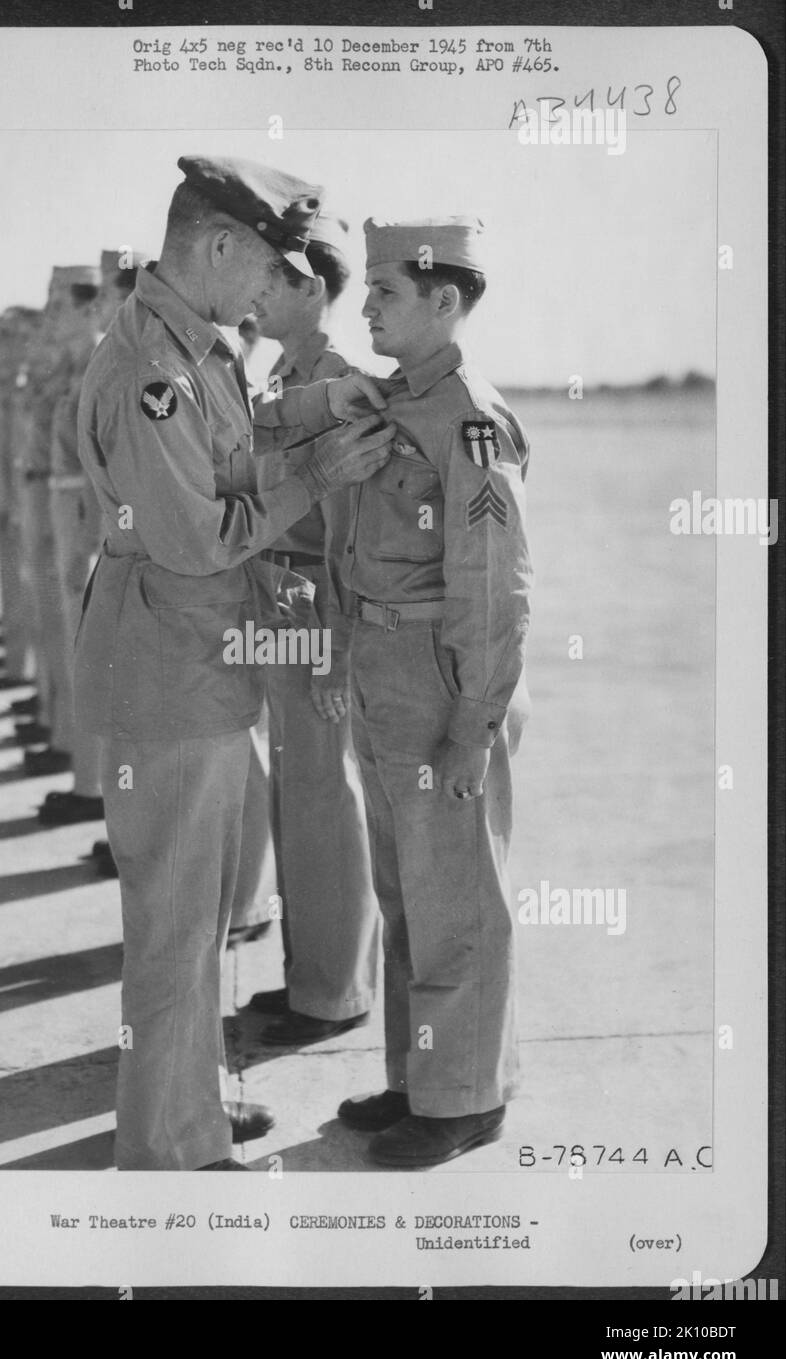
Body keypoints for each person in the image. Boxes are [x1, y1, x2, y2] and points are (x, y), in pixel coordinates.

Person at [73, 154, 396, 1170]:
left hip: (197, 662)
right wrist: (313, 475)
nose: (269, 290)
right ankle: (168, 1146)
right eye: (262, 267)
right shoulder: (153, 374)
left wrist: (311, 443)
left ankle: (195, 1102)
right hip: (168, 669)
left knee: (204, 913)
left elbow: (229, 468)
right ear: (216, 247)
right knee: (174, 924)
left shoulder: (194, 350)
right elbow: (197, 535)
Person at [327, 217, 533, 1167]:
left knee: (457, 897)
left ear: (444, 301)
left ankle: (466, 1100)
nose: (364, 305)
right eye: (366, 289)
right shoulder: (392, 403)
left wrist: (472, 728)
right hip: (384, 672)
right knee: (407, 892)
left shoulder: (470, 421)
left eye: (384, 293)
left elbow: (496, 593)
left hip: (447, 682)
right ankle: (421, 1078)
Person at [246, 213, 381, 1045]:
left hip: (312, 615)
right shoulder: (281, 378)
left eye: (274, 281)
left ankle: (335, 991)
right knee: (296, 800)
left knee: (326, 803)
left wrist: (335, 655)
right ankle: (309, 978)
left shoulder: (338, 381)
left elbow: (345, 537)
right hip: (275, 607)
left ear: (313, 289)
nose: (256, 293)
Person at [40, 253, 140, 825]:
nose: (98, 305)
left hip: (94, 517)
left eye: (105, 293)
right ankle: (92, 788)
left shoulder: (113, 363)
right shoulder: (100, 361)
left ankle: (98, 795)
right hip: (78, 510)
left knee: (102, 659)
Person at [15, 265, 101, 777]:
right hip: (55, 501)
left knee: (82, 646)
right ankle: (73, 753)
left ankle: (90, 783)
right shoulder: (72, 367)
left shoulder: (96, 366)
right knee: (60, 631)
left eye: (58, 302)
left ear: (89, 307)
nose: (49, 313)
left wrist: (87, 540)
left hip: (81, 513)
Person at [0, 306, 42, 690]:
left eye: (13, 338)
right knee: (13, 571)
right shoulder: (6, 391)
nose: (3, 348)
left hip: (27, 497)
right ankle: (16, 650)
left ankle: (23, 665)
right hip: (8, 492)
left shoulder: (29, 387)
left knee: (31, 580)